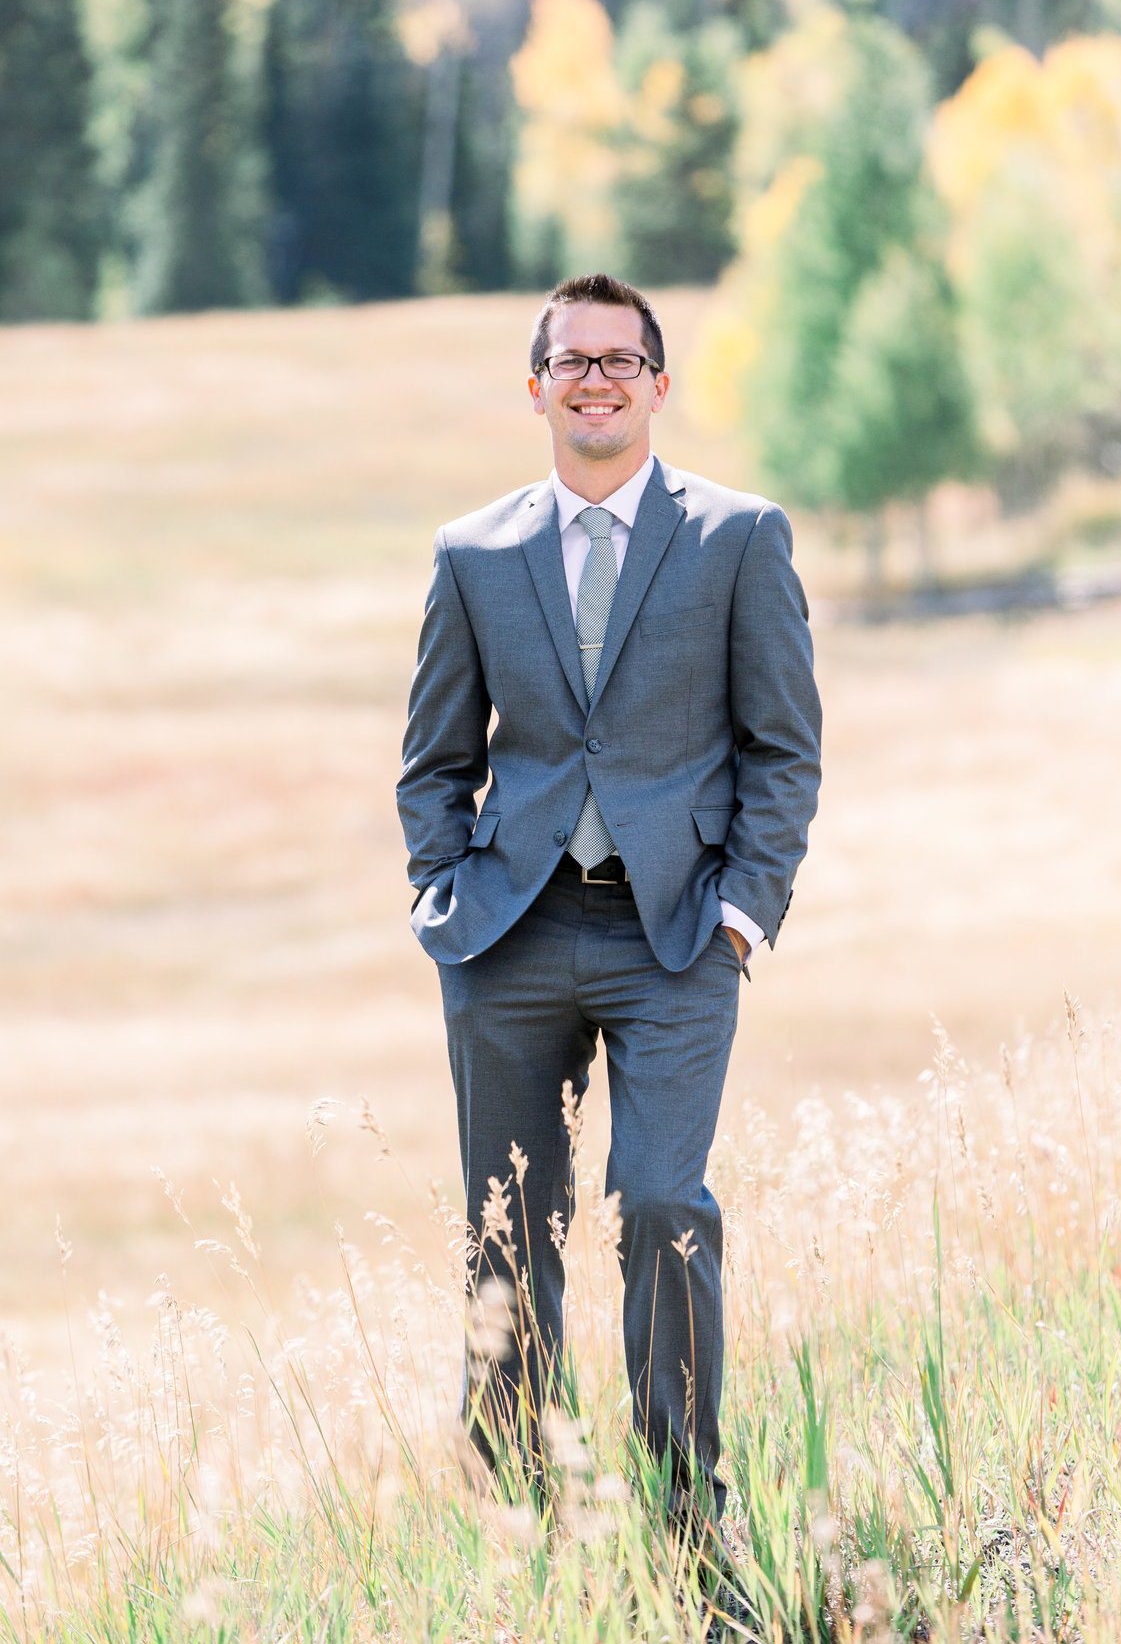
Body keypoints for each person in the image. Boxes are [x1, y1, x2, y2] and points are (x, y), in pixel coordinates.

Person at [396, 272, 821, 1531]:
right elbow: (435, 758)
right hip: (508, 938)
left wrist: (747, 910)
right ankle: (520, 1526)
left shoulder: (739, 537)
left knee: (665, 1208)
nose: (595, 378)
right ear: (536, 387)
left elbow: (783, 747)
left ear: (658, 385)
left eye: (619, 360)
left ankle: (688, 1521)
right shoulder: (473, 554)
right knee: (507, 1236)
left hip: (676, 937)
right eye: (571, 360)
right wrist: (441, 898)